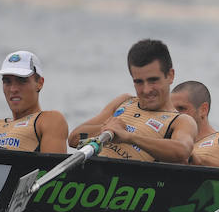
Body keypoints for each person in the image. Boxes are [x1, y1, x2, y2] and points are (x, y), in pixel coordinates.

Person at [68, 39, 196, 163]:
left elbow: (183, 151)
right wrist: (106, 129)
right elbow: (74, 139)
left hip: (125, 177)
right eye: (139, 82)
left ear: (170, 76)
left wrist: (129, 137)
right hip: (89, 172)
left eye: (153, 80)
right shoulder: (123, 101)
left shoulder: (181, 121)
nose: (146, 90)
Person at [0, 50, 69, 153]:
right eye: (7, 81)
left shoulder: (49, 120)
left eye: (22, 81)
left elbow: (53, 163)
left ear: (40, 83)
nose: (13, 89)